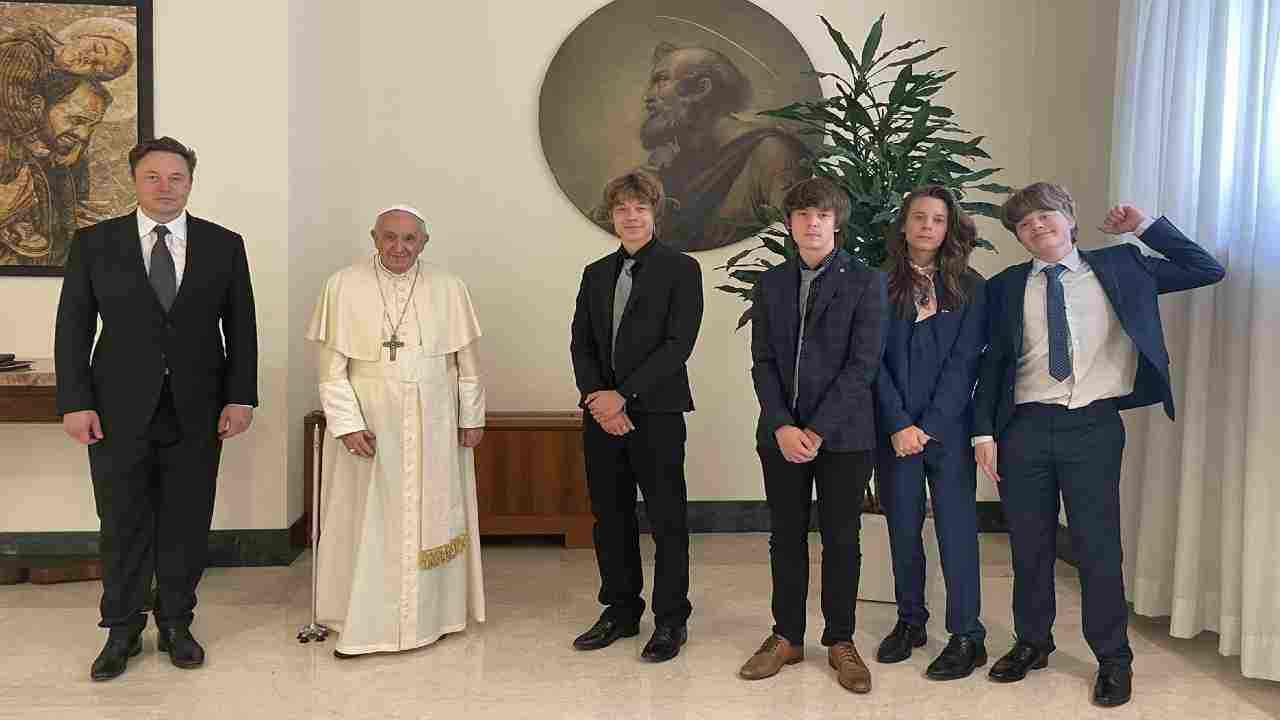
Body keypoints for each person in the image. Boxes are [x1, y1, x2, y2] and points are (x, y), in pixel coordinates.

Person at [973, 182, 1225, 707]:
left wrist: (1144, 226)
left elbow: (1205, 268)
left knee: (1097, 546)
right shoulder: (1005, 287)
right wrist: (984, 432)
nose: (1037, 227)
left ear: (1069, 218)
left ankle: (1113, 658)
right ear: (1019, 237)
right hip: (1023, 428)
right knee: (1030, 544)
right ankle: (1032, 642)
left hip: (1093, 426)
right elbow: (991, 364)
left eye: (1045, 215)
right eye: (1024, 224)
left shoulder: (1123, 266)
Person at [55, 136, 259, 681]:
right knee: (121, 520)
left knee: (186, 520)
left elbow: (241, 327)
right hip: (117, 409)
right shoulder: (95, 243)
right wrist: (75, 402)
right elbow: (73, 326)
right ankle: (121, 629)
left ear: (190, 183)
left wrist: (240, 395)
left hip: (198, 407)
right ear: (134, 180)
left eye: (176, 177)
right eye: (153, 177)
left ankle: (175, 624)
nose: (165, 187)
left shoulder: (224, 244)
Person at [307, 204, 486, 658]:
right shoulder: (343, 285)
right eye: (390, 237)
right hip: (370, 420)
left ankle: (433, 617)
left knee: (433, 512)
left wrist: (471, 416)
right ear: (374, 237)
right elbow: (331, 371)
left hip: (435, 420)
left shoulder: (449, 286)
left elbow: (467, 363)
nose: (399, 247)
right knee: (366, 514)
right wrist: (347, 424)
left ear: (424, 242)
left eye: (410, 239)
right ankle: (362, 618)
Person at [738, 176, 886, 693]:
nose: (812, 223)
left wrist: (817, 429)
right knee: (785, 536)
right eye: (802, 215)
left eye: (821, 215)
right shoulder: (771, 284)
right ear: (790, 224)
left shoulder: (867, 282)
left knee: (842, 537)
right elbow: (762, 362)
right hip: (780, 435)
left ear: (836, 222)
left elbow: (863, 365)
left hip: (844, 436)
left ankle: (841, 640)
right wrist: (782, 423)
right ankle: (787, 636)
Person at [569, 169, 703, 662]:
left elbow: (677, 345)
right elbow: (581, 343)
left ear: (654, 213)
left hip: (657, 411)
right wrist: (597, 398)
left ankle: (671, 619)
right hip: (601, 414)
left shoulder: (682, 269)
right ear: (612, 216)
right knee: (610, 515)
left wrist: (622, 396)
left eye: (640, 207)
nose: (630, 216)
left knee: (667, 518)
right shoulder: (595, 273)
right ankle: (621, 610)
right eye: (622, 208)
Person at [873, 186, 987, 679]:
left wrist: (930, 426)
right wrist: (899, 423)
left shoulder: (972, 287)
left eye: (938, 220)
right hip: (895, 432)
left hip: (949, 430)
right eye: (918, 217)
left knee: (956, 532)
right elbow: (871, 361)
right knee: (902, 528)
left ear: (949, 228)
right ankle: (910, 621)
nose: (927, 227)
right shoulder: (876, 284)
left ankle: (967, 635)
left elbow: (965, 365)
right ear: (903, 225)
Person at [636, 42, 808, 251]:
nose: (647, 97)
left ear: (702, 88)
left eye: (662, 80)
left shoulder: (771, 154)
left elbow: (796, 244)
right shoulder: (673, 165)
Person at [0, 76, 110, 267]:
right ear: (37, 107)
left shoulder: (69, 164)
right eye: (77, 120)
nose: (84, 135)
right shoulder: (6, 152)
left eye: (92, 126)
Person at [0, 25, 131, 177]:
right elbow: (9, 96)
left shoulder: (62, 77)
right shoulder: (24, 50)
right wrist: (31, 139)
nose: (89, 58)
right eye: (97, 48)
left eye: (96, 67)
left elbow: (91, 108)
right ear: (83, 35)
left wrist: (78, 147)